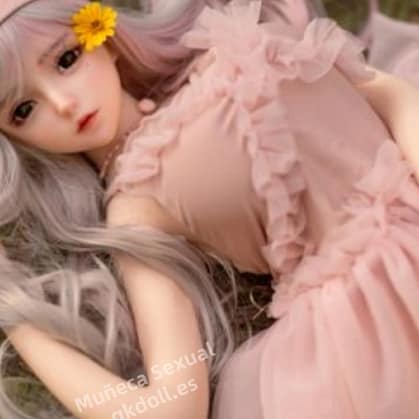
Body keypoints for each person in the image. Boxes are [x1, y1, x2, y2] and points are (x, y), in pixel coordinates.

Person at [0, 1, 419, 419]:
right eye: (23, 111)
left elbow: (386, 94)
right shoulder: (134, 206)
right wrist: (17, 314)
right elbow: (174, 408)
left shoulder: (222, 41)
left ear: (104, 38)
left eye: (67, 59)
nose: (62, 103)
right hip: (371, 324)